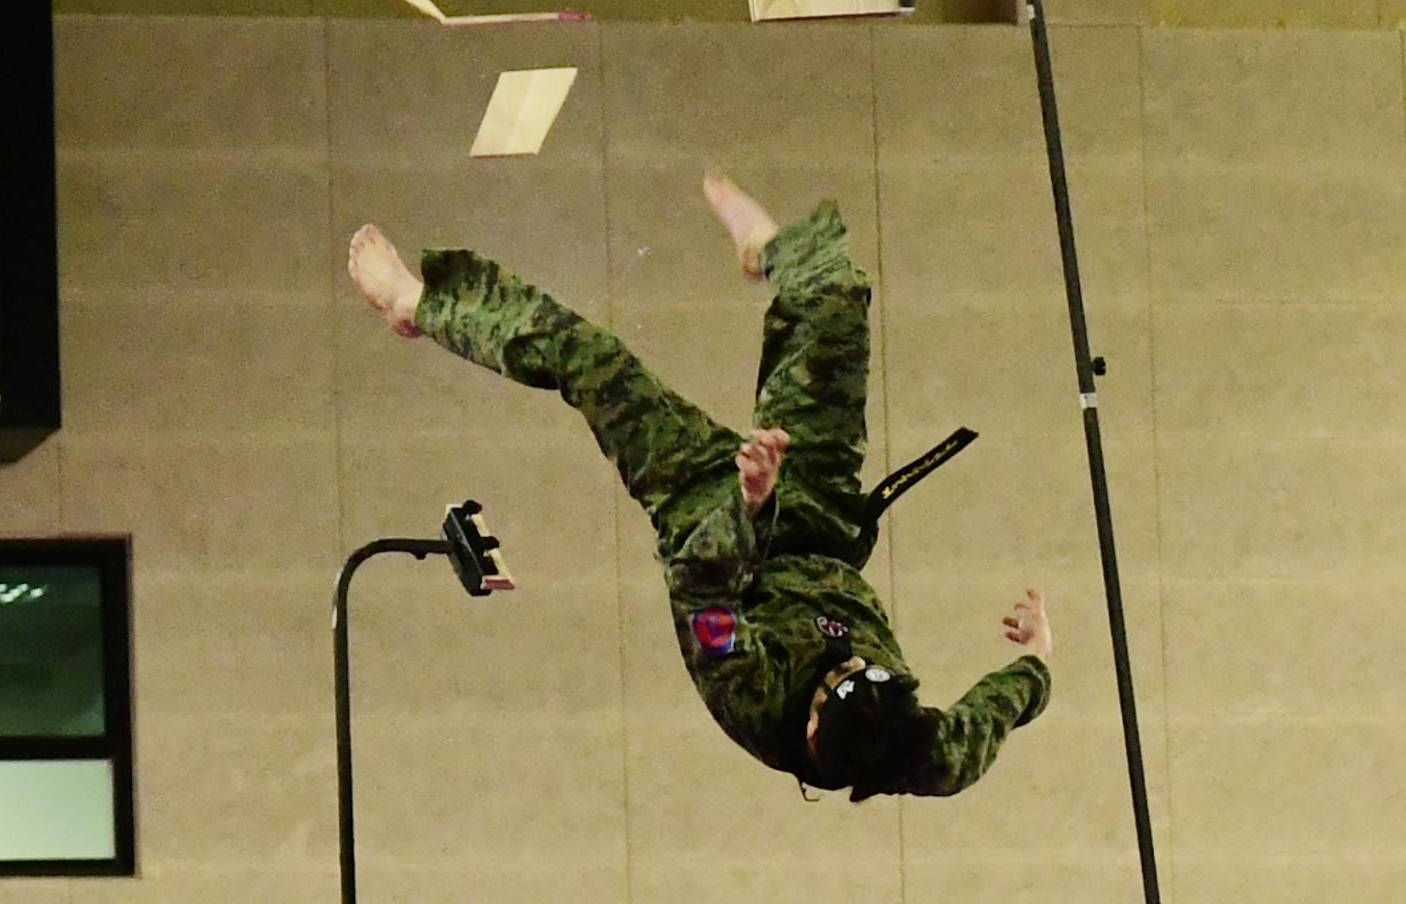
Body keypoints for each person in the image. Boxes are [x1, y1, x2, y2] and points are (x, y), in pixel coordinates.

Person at [346, 173, 1051, 800]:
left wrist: (746, 504)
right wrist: (1036, 655)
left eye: (835, 675)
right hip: (823, 520)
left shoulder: (747, 697)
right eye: (867, 666)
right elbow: (995, 711)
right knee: (834, 300)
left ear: (810, 728)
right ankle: (770, 253)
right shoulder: (925, 749)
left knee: (589, 360)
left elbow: (698, 587)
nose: (853, 658)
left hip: (710, 519)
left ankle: (421, 305)